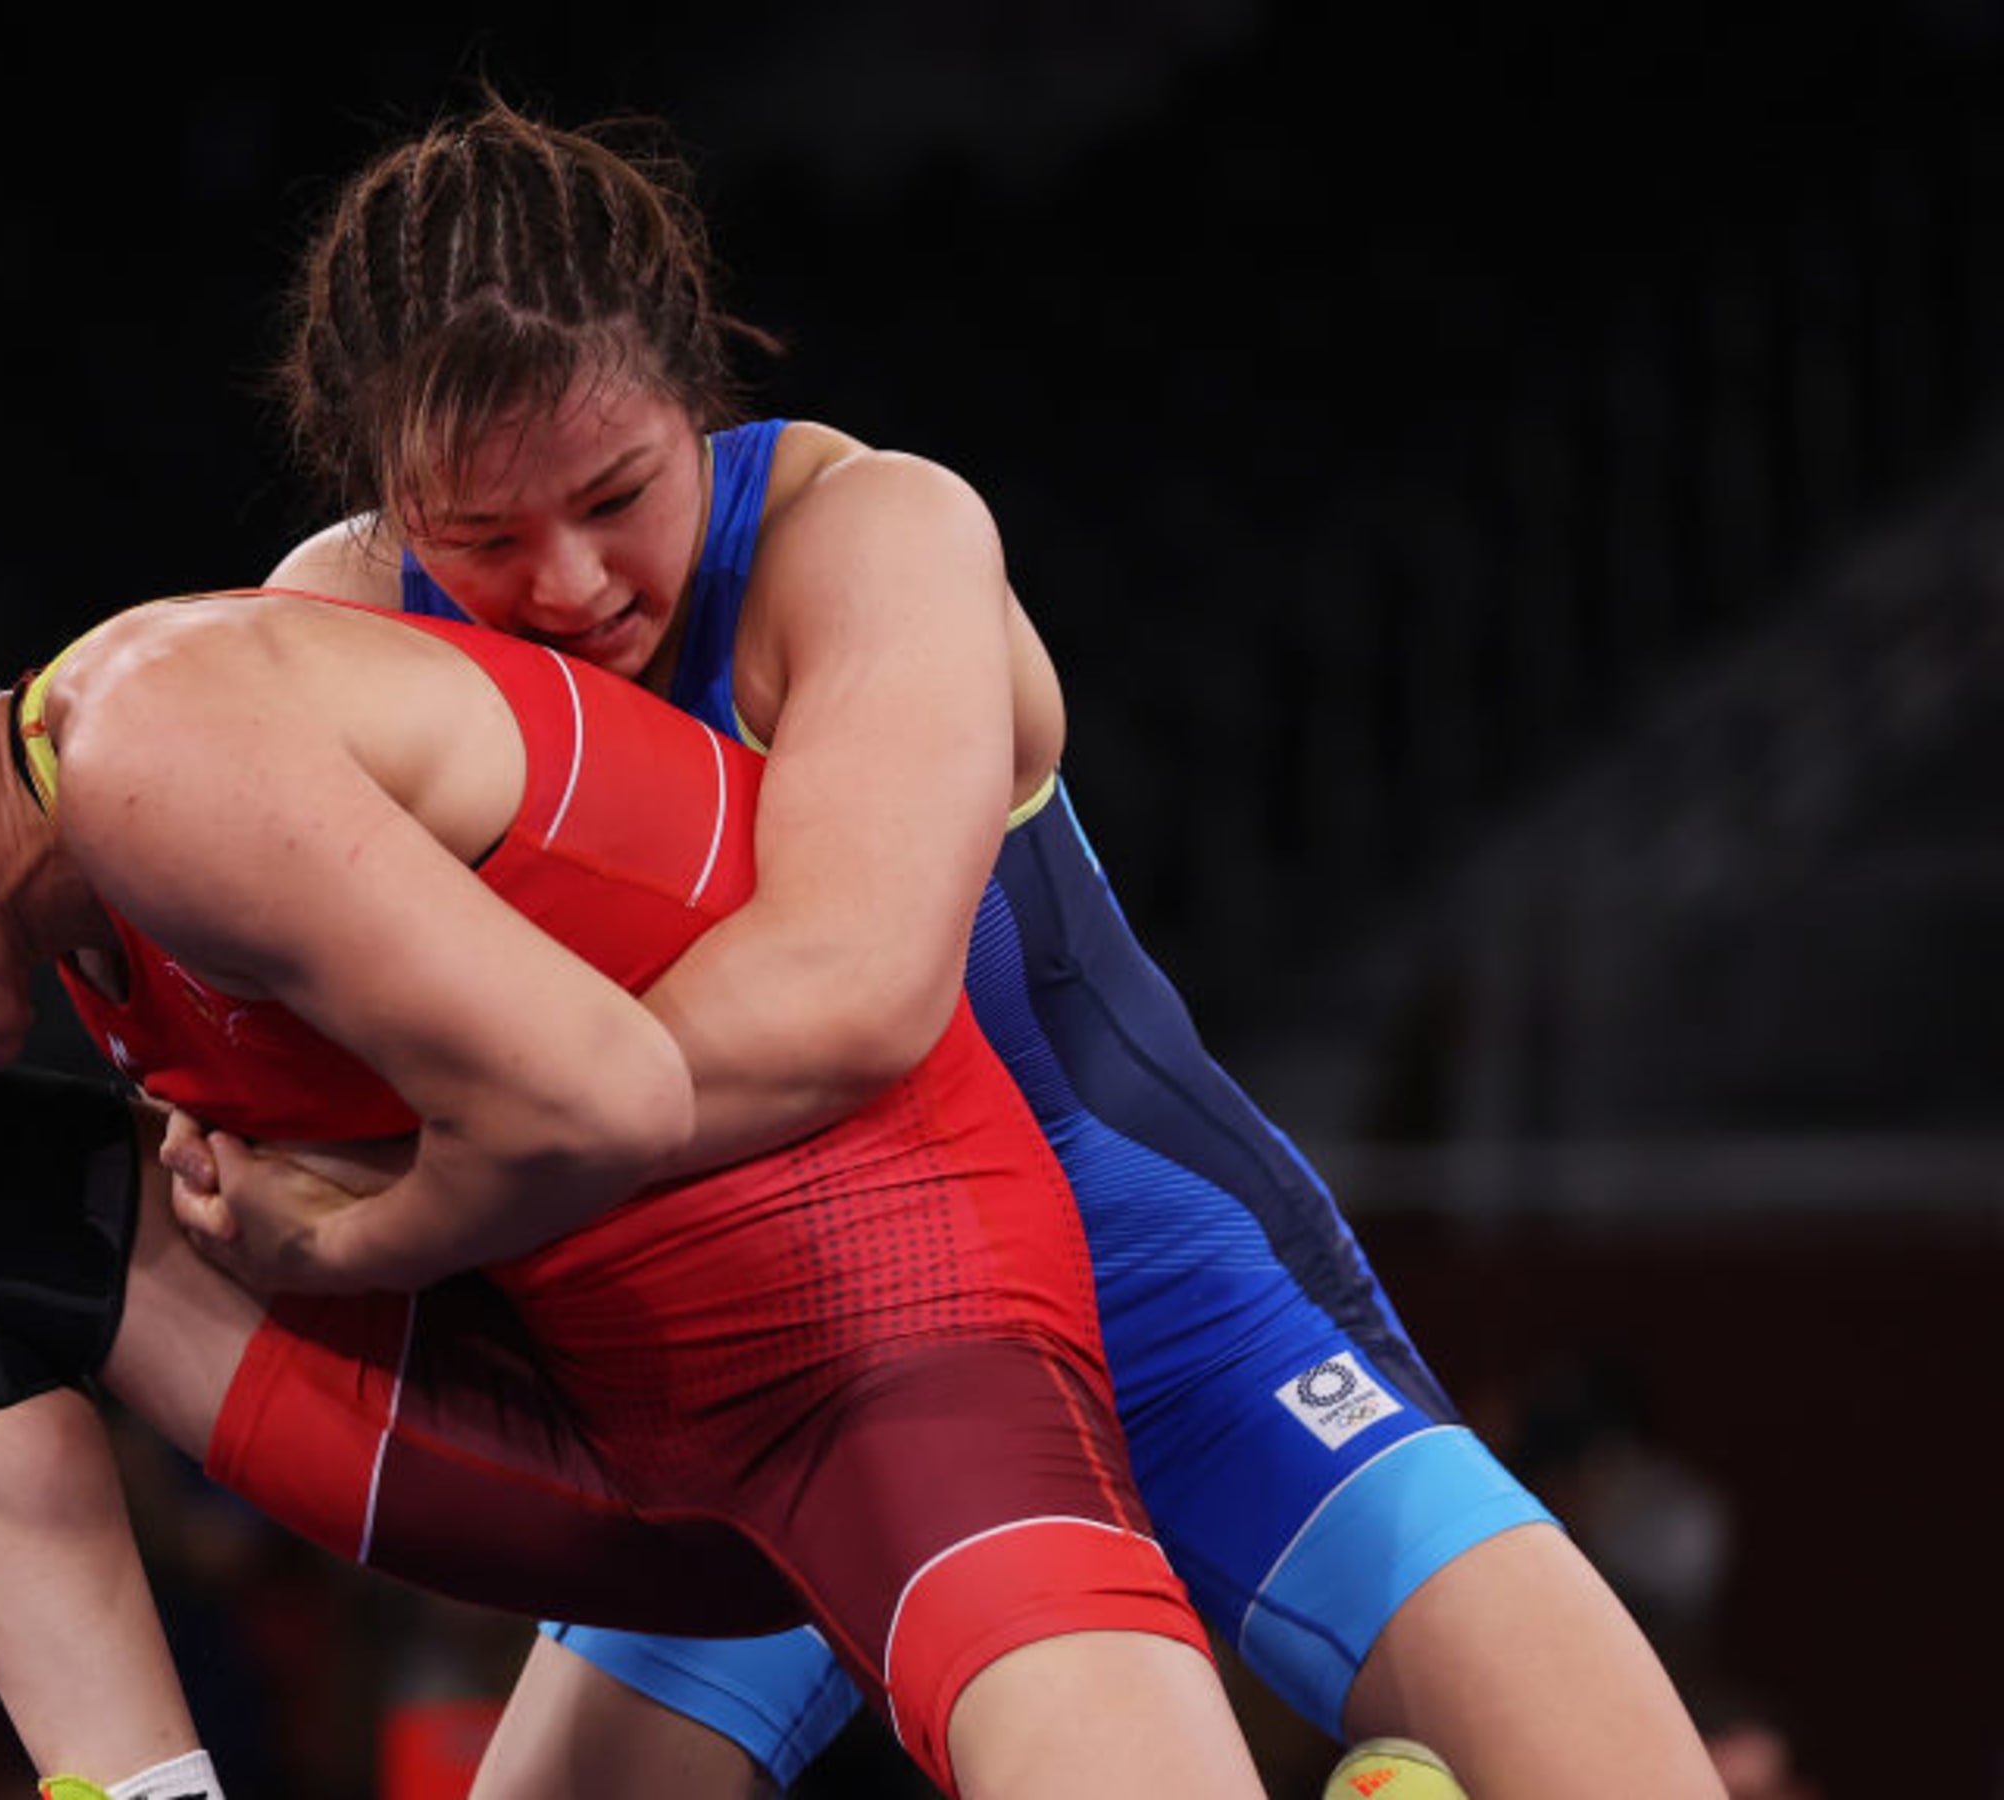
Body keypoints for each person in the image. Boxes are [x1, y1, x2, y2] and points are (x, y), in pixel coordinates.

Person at [227, 94, 1722, 1799]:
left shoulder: (872, 540)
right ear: (381, 501)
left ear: (696, 393)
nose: (565, 586)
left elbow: (853, 1000)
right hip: (788, 1358)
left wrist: (442, 1181)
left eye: (616, 494)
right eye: (480, 540)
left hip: (1157, 1279)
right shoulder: (327, 631)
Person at [0, 505, 1268, 1800]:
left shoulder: (148, 752)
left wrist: (343, 1241)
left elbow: (606, 1096)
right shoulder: (98, 861)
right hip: (622, 1402)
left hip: (888, 1332)